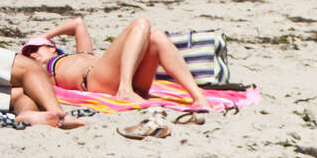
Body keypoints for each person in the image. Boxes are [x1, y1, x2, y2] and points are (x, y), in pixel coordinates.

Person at [22, 16, 211, 109]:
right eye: (29, 53)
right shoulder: (42, 71)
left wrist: (41, 37)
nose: (32, 54)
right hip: (95, 80)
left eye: (35, 49)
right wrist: (37, 46)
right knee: (141, 23)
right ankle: (125, 90)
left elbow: (77, 23)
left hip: (116, 77)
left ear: (53, 47)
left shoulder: (81, 54)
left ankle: (198, 97)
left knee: (158, 37)